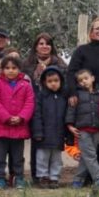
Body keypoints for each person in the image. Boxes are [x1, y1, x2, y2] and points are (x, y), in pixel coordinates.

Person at [22, 32, 68, 182]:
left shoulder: (60, 64)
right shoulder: (27, 64)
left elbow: (65, 85)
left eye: (47, 43)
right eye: (41, 43)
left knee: (54, 148)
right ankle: (38, 175)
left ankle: (53, 175)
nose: (44, 46)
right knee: (38, 143)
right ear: (36, 46)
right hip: (34, 105)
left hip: (55, 105)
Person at [0, 56, 35, 189]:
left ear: (19, 69)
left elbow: (29, 103)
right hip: (1, 127)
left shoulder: (25, 85)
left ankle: (18, 177)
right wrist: (6, 117)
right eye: (7, 68)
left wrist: (21, 117)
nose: (10, 71)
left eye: (14, 68)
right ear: (2, 69)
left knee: (18, 157)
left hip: (19, 128)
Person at [67, 69, 99, 190]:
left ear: (92, 78)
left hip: (96, 130)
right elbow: (71, 111)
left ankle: (77, 180)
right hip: (82, 130)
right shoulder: (76, 94)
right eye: (80, 80)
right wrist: (70, 125)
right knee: (91, 155)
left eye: (85, 78)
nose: (83, 82)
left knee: (86, 156)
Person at [31, 66, 68, 189]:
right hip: (43, 135)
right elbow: (37, 115)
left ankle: (54, 177)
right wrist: (37, 132)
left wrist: (68, 134)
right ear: (44, 83)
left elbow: (67, 116)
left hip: (58, 134)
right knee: (42, 157)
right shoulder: (41, 97)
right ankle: (43, 177)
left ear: (61, 81)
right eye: (50, 81)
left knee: (56, 158)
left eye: (56, 81)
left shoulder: (64, 97)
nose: (53, 84)